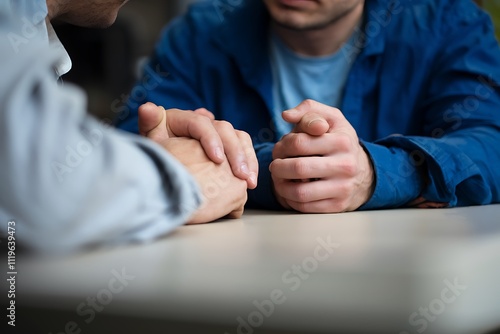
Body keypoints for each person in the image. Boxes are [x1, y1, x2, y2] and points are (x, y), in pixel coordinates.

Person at [117, 0, 500, 213]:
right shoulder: (201, 31)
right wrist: (282, 173)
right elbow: (122, 149)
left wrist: (378, 171)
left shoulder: (448, 23)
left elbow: (491, 145)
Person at [0, 0, 258, 252]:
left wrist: (153, 152)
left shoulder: (26, 32)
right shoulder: (203, 26)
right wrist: (175, 176)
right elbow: (35, 180)